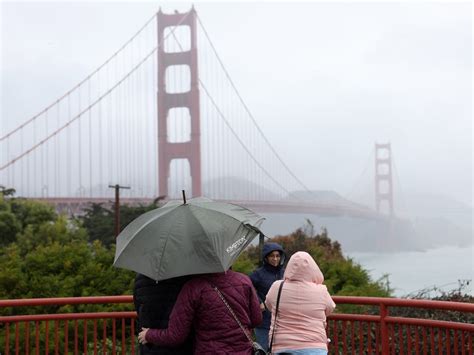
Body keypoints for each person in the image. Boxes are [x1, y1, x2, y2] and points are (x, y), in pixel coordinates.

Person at [137, 269, 262, 354]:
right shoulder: (244, 280)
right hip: (243, 351)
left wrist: (148, 335)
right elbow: (257, 320)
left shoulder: (193, 287)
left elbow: (176, 335)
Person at [265, 251, 336, 355]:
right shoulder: (321, 290)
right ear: (313, 268)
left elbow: (269, 305)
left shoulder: (277, 287)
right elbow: (330, 308)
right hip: (314, 346)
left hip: (282, 346)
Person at [133, 273, 193, 354]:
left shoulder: (141, 278)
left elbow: (138, 308)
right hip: (181, 346)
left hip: (149, 343)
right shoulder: (185, 277)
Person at [249, 242, 286, 349]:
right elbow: (247, 287)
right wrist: (259, 301)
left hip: (282, 322)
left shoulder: (285, 273)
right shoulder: (258, 274)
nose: (275, 259)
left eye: (278, 256)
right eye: (272, 256)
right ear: (266, 257)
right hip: (264, 323)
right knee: (264, 350)